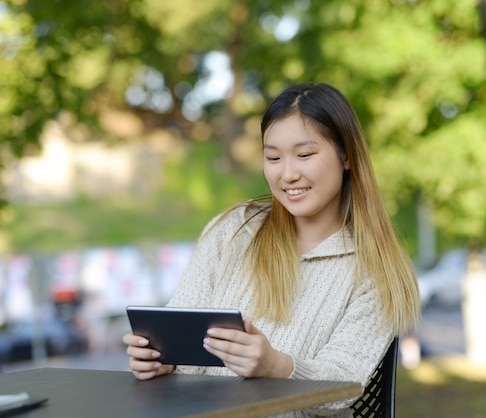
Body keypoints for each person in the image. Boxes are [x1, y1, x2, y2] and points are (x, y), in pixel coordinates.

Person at [123, 83, 421, 417]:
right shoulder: (234, 229)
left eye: (305, 155)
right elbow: (178, 336)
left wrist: (276, 366)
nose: (288, 174)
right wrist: (160, 359)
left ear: (346, 155)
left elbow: (344, 386)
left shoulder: (377, 269)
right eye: (273, 157)